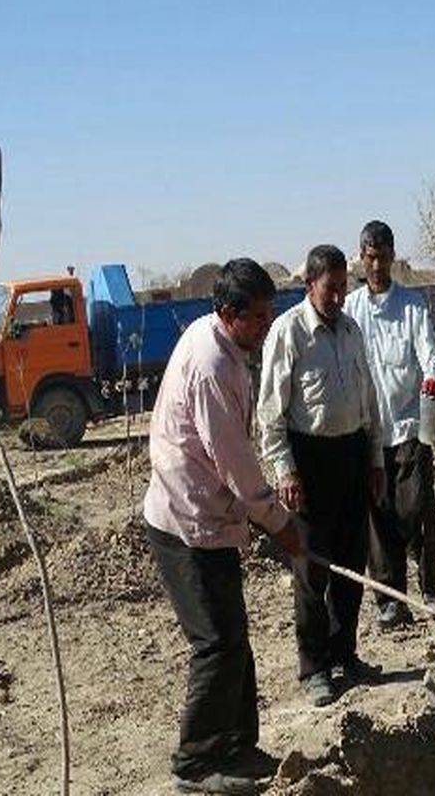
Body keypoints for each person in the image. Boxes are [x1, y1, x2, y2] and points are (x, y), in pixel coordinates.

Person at [143, 258, 304, 795]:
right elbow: (236, 464)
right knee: (216, 642)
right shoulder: (211, 363)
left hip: (210, 514)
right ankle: (195, 763)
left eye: (268, 314)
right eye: (256, 317)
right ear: (226, 313)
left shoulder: (226, 346)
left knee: (235, 635)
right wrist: (280, 524)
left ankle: (236, 745)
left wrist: (259, 517)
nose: (265, 326)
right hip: (186, 522)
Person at [257, 243, 386, 707]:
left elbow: (368, 403)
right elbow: (270, 412)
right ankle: (314, 666)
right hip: (308, 463)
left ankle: (344, 654)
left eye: (342, 288)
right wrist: (284, 468)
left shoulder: (351, 331)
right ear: (310, 285)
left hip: (351, 455)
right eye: (329, 289)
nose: (337, 298)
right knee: (312, 567)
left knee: (352, 562)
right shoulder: (288, 333)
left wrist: (373, 459)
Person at [344, 220, 435, 628]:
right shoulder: (351, 309)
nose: (376, 265)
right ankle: (390, 598)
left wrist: (431, 378)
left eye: (382, 257)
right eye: (369, 257)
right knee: (378, 515)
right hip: (369, 432)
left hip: (408, 427)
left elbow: (432, 354)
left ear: (391, 256)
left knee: (418, 507)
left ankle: (429, 588)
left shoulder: (411, 305)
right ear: (362, 257)